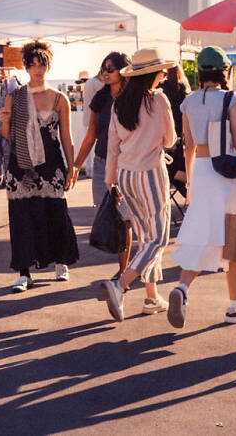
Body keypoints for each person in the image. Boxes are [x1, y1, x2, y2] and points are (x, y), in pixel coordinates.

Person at [167, 47, 236, 328]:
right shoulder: (231, 98)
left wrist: (191, 181)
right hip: (229, 172)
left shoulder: (188, 103)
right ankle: (234, 306)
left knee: (201, 236)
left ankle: (182, 288)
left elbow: (188, 145)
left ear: (200, 72)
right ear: (224, 71)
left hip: (203, 172)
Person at [99, 48, 177, 322]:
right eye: (163, 72)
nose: (165, 76)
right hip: (151, 174)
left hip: (125, 176)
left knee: (146, 238)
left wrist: (110, 182)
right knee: (158, 239)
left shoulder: (120, 103)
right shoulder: (159, 101)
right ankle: (121, 285)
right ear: (154, 75)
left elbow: (112, 147)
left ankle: (152, 296)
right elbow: (169, 141)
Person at [0, 40, 79, 293]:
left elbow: (66, 136)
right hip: (21, 166)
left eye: (41, 65)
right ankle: (24, 272)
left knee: (56, 211)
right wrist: (3, 121)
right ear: (25, 67)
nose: (37, 70)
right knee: (22, 216)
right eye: (32, 65)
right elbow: (8, 136)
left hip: (51, 164)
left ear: (48, 66)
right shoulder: (15, 97)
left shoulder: (59, 98)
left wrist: (72, 166)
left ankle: (61, 261)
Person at [72, 52, 133, 281]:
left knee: (124, 216)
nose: (105, 73)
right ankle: (126, 266)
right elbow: (90, 136)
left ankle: (124, 270)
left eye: (111, 69)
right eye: (104, 68)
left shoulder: (133, 98)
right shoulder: (100, 98)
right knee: (107, 213)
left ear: (122, 71)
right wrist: (77, 166)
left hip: (126, 164)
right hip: (101, 162)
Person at [160, 63, 192, 190]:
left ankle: (188, 181)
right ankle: (189, 181)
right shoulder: (183, 87)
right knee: (179, 162)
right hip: (181, 131)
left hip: (167, 132)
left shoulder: (162, 88)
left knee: (168, 165)